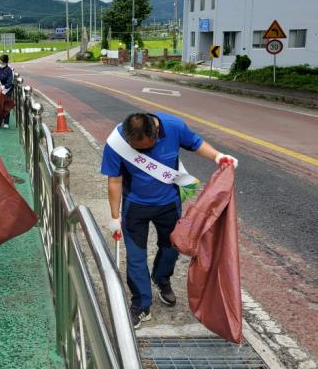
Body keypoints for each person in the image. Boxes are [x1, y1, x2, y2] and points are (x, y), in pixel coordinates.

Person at [100, 112, 239, 329]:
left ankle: (161, 278)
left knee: (172, 247)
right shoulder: (116, 142)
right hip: (135, 206)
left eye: (146, 148)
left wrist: (218, 157)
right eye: (136, 149)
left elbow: (196, 144)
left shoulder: (174, 127)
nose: (141, 152)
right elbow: (115, 181)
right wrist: (115, 217)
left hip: (168, 203)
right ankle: (141, 303)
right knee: (136, 257)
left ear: (156, 134)